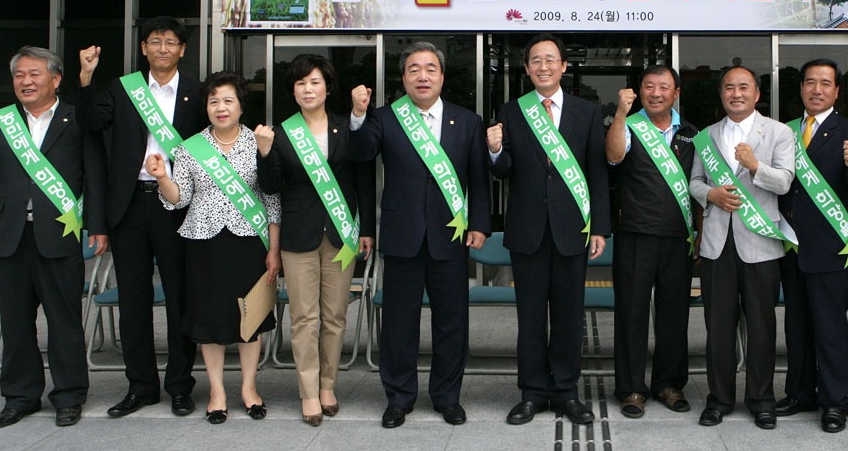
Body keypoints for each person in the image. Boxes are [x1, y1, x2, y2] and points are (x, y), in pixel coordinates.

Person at [349, 42, 490, 428]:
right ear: (404, 77)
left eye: (430, 68)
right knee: (399, 322)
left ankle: (447, 397)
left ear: (442, 76)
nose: (422, 76)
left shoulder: (467, 121)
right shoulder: (384, 118)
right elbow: (360, 154)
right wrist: (359, 116)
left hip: (452, 234)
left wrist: (479, 223)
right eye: (414, 69)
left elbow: (478, 178)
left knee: (452, 321)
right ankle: (399, 397)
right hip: (401, 234)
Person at [77, 16, 206, 418]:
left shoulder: (197, 93)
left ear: (183, 50)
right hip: (130, 204)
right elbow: (92, 122)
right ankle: (142, 386)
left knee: (180, 298)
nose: (163, 48)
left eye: (171, 42)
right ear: (144, 48)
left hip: (178, 204)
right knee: (133, 299)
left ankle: (181, 385)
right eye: (155, 41)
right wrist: (86, 78)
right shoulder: (123, 88)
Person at [488, 33, 611, 426]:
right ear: (527, 69)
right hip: (527, 230)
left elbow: (596, 171)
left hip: (572, 229)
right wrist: (494, 151)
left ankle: (566, 392)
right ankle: (532, 393)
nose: (543, 66)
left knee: (569, 316)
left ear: (563, 66)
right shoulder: (511, 110)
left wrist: (600, 229)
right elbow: (504, 171)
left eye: (550, 60)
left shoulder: (585, 112)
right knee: (530, 318)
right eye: (535, 60)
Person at [146, 71, 280, 424]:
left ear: (241, 106)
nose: (221, 108)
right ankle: (217, 391)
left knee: (249, 319)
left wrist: (274, 250)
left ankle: (249, 389)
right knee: (209, 320)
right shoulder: (190, 148)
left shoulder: (260, 142)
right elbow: (179, 200)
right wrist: (162, 177)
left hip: (250, 242)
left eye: (228, 101)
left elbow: (272, 200)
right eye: (214, 101)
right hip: (203, 243)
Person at [0, 47, 108, 429]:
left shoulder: (77, 119)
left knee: (64, 321)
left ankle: (69, 396)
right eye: (20, 75)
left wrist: (99, 226)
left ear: (55, 79)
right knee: (15, 322)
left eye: (34, 74)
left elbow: (95, 174)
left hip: (58, 234)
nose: (26, 81)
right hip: (8, 238)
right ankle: (19, 397)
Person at [257, 54, 375, 426]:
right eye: (300, 84)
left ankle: (328, 385)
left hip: (342, 234)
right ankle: (308, 391)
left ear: (327, 87)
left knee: (335, 315)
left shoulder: (346, 127)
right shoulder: (280, 132)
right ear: (293, 91)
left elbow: (363, 179)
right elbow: (271, 187)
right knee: (304, 317)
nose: (308, 89)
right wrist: (263, 153)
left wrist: (367, 228)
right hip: (298, 235)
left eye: (315, 82)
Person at [689, 65, 795, 430]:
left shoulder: (779, 133)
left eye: (744, 87)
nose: (736, 93)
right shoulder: (707, 136)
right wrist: (711, 194)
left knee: (762, 327)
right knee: (718, 327)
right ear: (721, 94)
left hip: (761, 244)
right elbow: (695, 183)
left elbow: (783, 183)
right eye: (729, 88)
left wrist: (754, 166)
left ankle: (762, 400)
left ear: (757, 94)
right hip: (718, 244)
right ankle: (719, 399)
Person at [776, 59, 848, 433]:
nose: (817, 90)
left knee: (830, 327)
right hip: (790, 244)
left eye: (825, 84)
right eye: (810, 83)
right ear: (800, 89)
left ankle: (834, 401)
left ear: (836, 91)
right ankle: (800, 392)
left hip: (830, 246)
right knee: (796, 325)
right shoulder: (784, 132)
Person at [605, 65, 701, 418]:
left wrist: (700, 235)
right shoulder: (628, 126)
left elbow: (699, 186)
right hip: (635, 233)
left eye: (664, 87)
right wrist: (620, 114)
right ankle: (631, 388)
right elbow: (614, 156)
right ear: (639, 91)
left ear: (676, 93)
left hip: (678, 237)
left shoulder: (692, 134)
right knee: (631, 313)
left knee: (674, 314)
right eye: (649, 86)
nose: (656, 93)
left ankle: (669, 383)